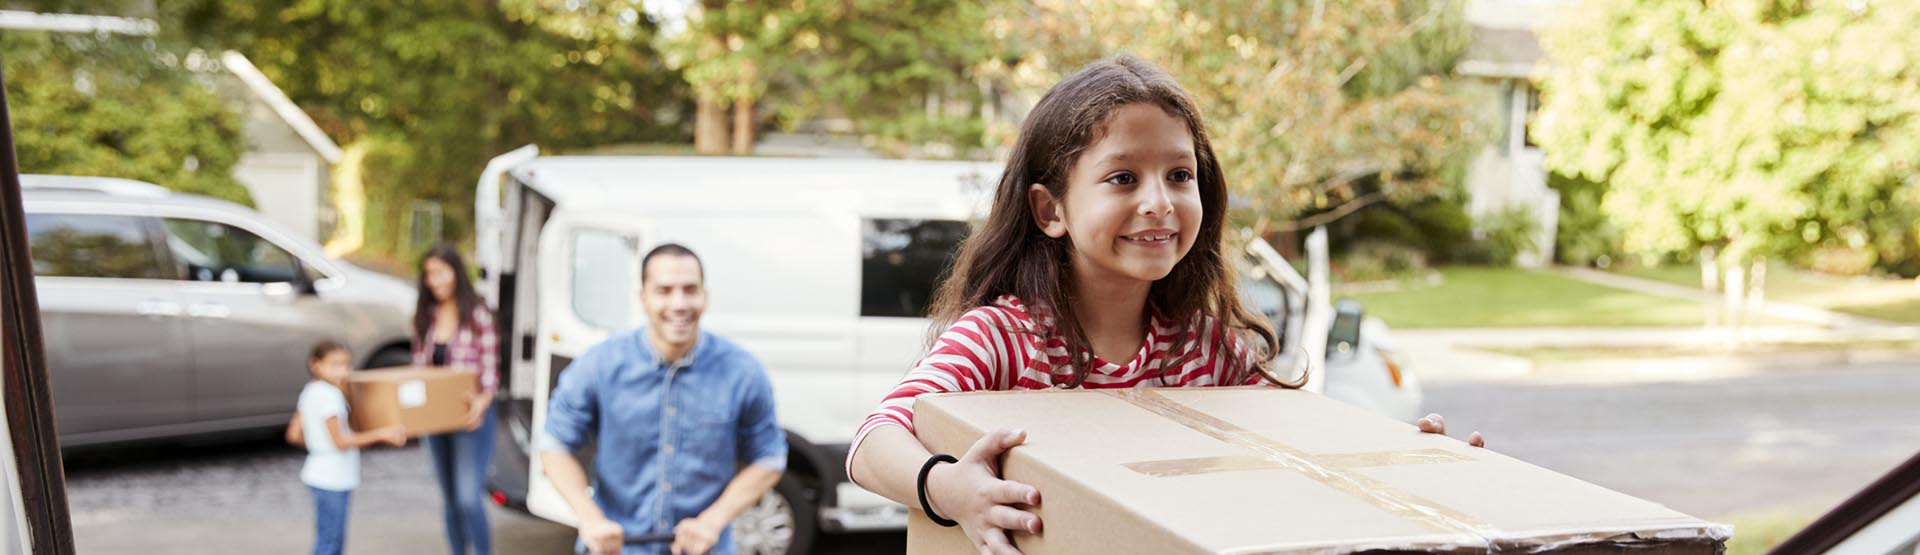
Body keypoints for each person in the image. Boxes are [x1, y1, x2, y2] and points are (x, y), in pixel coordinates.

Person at [843, 56, 1483, 555]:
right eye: (1124, 178)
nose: (1160, 201)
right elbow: (872, 442)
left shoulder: (1211, 350)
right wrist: (951, 490)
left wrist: (1400, 461)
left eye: (1180, 175)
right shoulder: (1004, 338)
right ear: (1051, 210)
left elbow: (1298, 464)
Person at [539, 244, 786, 555]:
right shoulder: (598, 365)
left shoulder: (743, 372)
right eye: (664, 290)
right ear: (643, 297)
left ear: (705, 296)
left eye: (690, 289)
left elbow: (769, 457)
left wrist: (713, 521)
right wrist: (589, 518)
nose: (679, 303)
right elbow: (554, 445)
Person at [411, 245, 500, 555]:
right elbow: (419, 369)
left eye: (439, 272)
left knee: (467, 497)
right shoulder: (426, 316)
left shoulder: (477, 313)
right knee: (448, 498)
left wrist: (482, 402)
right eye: (428, 275)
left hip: (470, 417)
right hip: (435, 421)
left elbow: (490, 371)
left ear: (455, 272)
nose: (433, 281)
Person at [286, 341, 406, 555]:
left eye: (346, 364)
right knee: (331, 542)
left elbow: (294, 434)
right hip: (333, 478)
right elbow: (340, 442)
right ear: (315, 364)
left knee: (328, 535)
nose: (342, 370)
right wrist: (381, 434)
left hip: (317, 472)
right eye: (335, 364)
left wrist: (318, 445)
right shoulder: (331, 396)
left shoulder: (311, 390)